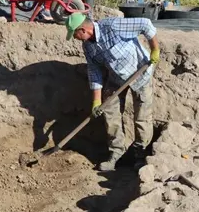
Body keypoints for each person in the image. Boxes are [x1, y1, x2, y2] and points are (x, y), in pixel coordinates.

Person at [67, 12, 160, 171]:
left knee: (142, 117)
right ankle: (116, 153)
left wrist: (155, 49)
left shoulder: (113, 26)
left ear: (83, 30)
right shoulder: (88, 46)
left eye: (74, 34)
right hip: (116, 78)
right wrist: (96, 101)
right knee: (109, 112)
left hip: (140, 72)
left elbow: (145, 23)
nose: (74, 38)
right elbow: (94, 71)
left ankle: (140, 155)